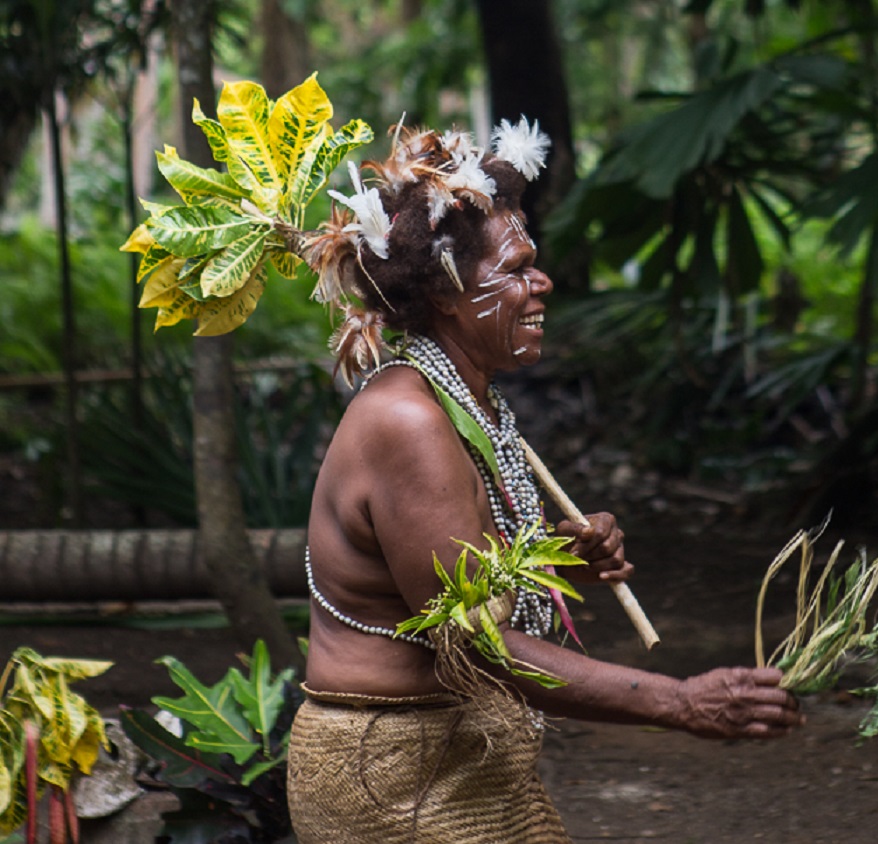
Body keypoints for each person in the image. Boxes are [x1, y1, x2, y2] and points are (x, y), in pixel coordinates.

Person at [285, 118, 804, 844]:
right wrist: (678, 702)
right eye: (516, 269)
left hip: (459, 753)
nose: (543, 283)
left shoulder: (465, 401)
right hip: (393, 775)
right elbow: (476, 643)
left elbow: (450, 571)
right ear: (445, 292)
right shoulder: (408, 422)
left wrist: (556, 559)